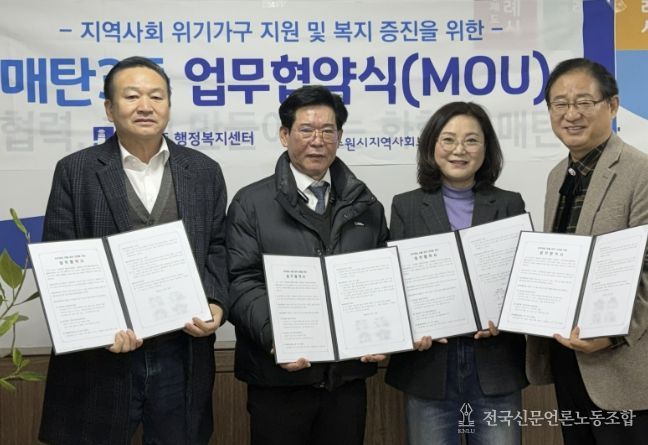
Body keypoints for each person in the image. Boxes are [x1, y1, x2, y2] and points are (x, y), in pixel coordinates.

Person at [38, 56, 229, 445]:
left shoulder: (204, 171)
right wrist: (97, 328)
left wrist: (215, 302)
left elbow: (217, 246)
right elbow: (60, 260)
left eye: (156, 96)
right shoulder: (76, 171)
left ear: (169, 106)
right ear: (110, 109)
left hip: (181, 352)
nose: (146, 106)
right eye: (132, 96)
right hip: (102, 358)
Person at [226, 85, 388, 445]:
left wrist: (381, 331)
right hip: (278, 380)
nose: (318, 141)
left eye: (328, 130)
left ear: (340, 136)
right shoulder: (251, 203)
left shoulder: (367, 205)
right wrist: (278, 337)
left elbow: (380, 280)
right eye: (306, 130)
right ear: (285, 135)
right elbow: (241, 281)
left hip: (346, 379)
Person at [385, 101, 528, 445]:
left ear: (486, 148)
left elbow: (522, 281)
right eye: (448, 139)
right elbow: (396, 283)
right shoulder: (405, 205)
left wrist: (507, 314)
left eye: (471, 140)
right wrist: (409, 326)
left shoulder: (510, 203)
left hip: (495, 364)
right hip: (429, 366)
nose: (459, 150)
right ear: (432, 145)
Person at [526, 57, 648, 444]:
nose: (571, 114)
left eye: (583, 102)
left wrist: (612, 335)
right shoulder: (556, 177)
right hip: (567, 357)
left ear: (612, 106)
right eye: (559, 104)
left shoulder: (640, 172)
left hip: (621, 364)